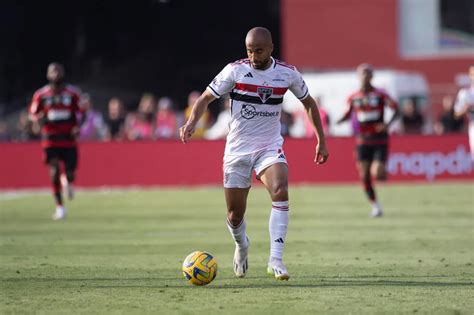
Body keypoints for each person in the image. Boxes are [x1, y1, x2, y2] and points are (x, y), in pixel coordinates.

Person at [179, 27, 329, 280]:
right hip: (237, 150)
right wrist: (193, 121)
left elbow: (309, 103)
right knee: (235, 215)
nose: (253, 56)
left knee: (280, 189)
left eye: (258, 51)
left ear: (271, 48)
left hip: (268, 146)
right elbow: (205, 97)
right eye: (249, 50)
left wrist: (321, 140)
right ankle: (241, 245)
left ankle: (276, 260)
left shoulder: (286, 73)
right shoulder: (235, 71)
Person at [336, 63, 399, 218]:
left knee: (377, 173)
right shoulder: (353, 97)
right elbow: (347, 113)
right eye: (361, 74)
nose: (364, 76)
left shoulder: (381, 94)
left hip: (380, 140)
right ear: (358, 77)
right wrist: (339, 121)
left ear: (371, 76)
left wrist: (387, 125)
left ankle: (382, 171)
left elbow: (397, 109)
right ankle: (375, 206)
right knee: (364, 176)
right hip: (363, 141)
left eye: (367, 73)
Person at [29, 62, 84, 220]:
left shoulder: (73, 93)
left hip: (68, 139)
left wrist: (77, 127)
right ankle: (60, 207)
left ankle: (68, 180)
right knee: (53, 171)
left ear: (63, 73)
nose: (56, 75)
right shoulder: (41, 95)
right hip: (50, 139)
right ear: (48, 75)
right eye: (53, 72)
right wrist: (36, 121)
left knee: (70, 172)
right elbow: (33, 114)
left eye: (58, 71)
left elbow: (81, 112)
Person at [454, 65, 474, 161]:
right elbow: (456, 114)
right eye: (473, 74)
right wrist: (465, 109)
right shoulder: (465, 93)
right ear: (470, 76)